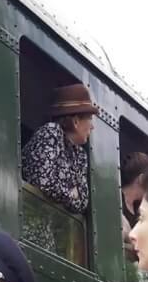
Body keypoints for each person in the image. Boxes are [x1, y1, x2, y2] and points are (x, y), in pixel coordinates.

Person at [22, 83, 99, 215]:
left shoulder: (80, 155)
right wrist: (71, 193)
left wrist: (60, 190)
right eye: (90, 119)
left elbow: (82, 203)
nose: (92, 127)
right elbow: (43, 181)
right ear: (75, 122)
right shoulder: (51, 131)